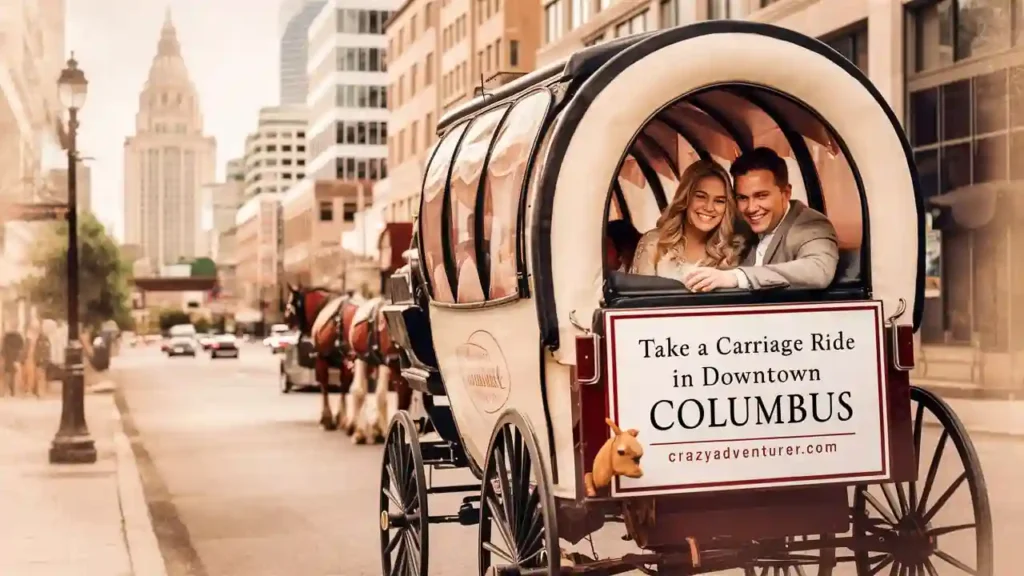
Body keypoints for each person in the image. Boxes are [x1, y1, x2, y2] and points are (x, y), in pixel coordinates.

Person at [683, 147, 838, 292]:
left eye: (761, 196)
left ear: (786, 193)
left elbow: (818, 270)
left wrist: (736, 277)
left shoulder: (810, 225)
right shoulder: (741, 225)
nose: (751, 208)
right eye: (743, 198)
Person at [629, 159, 744, 280]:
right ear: (685, 198)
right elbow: (640, 297)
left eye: (719, 201)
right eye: (700, 196)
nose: (709, 208)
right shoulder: (654, 243)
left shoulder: (732, 251)